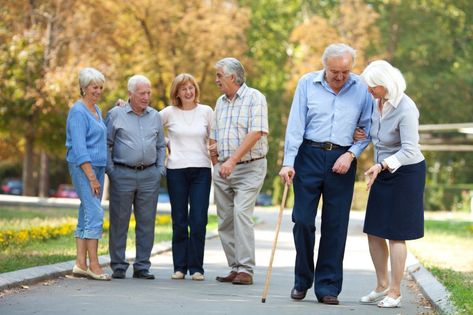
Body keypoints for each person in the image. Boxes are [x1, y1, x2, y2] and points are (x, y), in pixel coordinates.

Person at [279, 43, 373, 304]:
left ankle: (328, 286)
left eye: (345, 71)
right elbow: (296, 125)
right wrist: (288, 162)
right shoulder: (307, 84)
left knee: (336, 224)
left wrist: (351, 153)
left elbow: (367, 129)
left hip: (342, 159)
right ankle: (302, 279)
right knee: (303, 221)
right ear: (325, 66)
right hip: (308, 155)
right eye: (335, 72)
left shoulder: (361, 88)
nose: (341, 77)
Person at [356, 60, 425, 308]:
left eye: (372, 87)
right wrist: (362, 134)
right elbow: (378, 134)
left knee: (397, 234)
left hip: (406, 173)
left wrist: (382, 165)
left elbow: (409, 150)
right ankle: (381, 285)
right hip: (382, 170)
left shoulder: (406, 108)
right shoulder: (377, 103)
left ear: (384, 85)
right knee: (374, 230)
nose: (368, 91)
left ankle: (395, 292)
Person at [209, 57, 268, 285]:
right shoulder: (220, 102)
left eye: (219, 76)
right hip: (223, 168)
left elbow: (257, 132)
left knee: (241, 213)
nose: (216, 80)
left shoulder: (255, 98)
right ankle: (234, 266)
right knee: (224, 219)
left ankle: (246, 269)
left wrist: (232, 160)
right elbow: (214, 134)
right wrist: (215, 162)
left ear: (232, 77)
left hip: (249, 167)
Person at [106, 74, 166, 280]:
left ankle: (142, 266)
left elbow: (160, 145)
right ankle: (119, 266)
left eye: (148, 92)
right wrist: (111, 170)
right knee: (119, 221)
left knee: (147, 222)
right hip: (122, 174)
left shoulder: (155, 116)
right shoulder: (115, 114)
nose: (146, 97)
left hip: (149, 175)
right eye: (142, 93)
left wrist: (159, 169)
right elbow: (107, 144)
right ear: (130, 94)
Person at [159, 73, 213, 281]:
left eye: (191, 88)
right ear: (177, 93)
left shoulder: (206, 111)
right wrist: (166, 142)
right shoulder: (169, 113)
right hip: (176, 170)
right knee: (179, 220)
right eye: (183, 89)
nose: (188, 92)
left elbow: (215, 137)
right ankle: (180, 267)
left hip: (201, 169)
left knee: (198, 220)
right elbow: (148, 123)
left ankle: (196, 268)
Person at [66, 67, 110, 281]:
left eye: (100, 87)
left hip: (98, 167)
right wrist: (91, 176)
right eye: (94, 87)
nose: (98, 91)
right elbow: (80, 148)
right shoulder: (78, 111)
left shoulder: (96, 110)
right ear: (84, 88)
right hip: (84, 168)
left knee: (86, 213)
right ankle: (94, 265)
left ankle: (80, 264)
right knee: (95, 214)